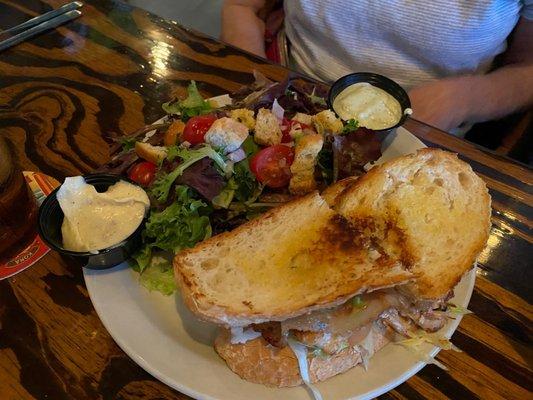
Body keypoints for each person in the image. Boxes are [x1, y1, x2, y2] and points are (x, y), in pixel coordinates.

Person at [221, 0, 533, 135]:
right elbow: (242, 7)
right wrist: (258, 91)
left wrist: (463, 100)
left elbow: (527, 68)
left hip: (419, 132)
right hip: (285, 99)